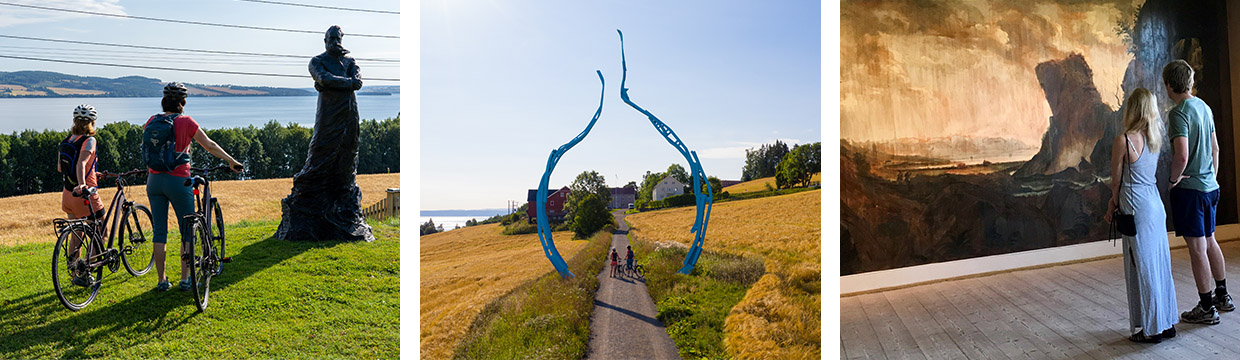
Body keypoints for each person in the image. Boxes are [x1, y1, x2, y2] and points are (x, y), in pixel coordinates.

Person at [144, 82, 243, 292]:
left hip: (154, 181)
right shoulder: (186, 121)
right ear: (183, 102)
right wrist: (230, 160)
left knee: (159, 232)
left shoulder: (151, 121)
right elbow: (209, 145)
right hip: (178, 181)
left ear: (164, 102)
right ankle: (185, 279)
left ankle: (162, 281)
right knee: (187, 230)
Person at [1105, 88, 1178, 343]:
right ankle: (1166, 323)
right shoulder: (1154, 138)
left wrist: (1111, 206)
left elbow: (1115, 181)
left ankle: (1151, 329)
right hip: (1155, 204)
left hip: (1134, 205)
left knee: (1141, 266)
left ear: (1132, 109)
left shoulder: (1123, 140)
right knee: (1159, 264)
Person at [1163, 60, 1231, 325]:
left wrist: (1172, 180)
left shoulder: (1178, 113)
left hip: (1191, 191)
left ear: (1169, 84)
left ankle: (1206, 307)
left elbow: (1181, 154)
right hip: (1210, 188)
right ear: (1189, 82)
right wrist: (1211, 178)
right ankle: (1222, 296)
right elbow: (1215, 148)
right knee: (1210, 240)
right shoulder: (1204, 106)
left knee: (1197, 248)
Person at [58, 104, 105, 287]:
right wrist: (83, 184)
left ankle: (74, 273)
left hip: (67, 195)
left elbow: (61, 168)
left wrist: (94, 172)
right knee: (100, 232)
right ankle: (88, 273)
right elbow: (81, 164)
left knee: (76, 235)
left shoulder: (66, 141)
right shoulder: (89, 140)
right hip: (84, 195)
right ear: (92, 122)